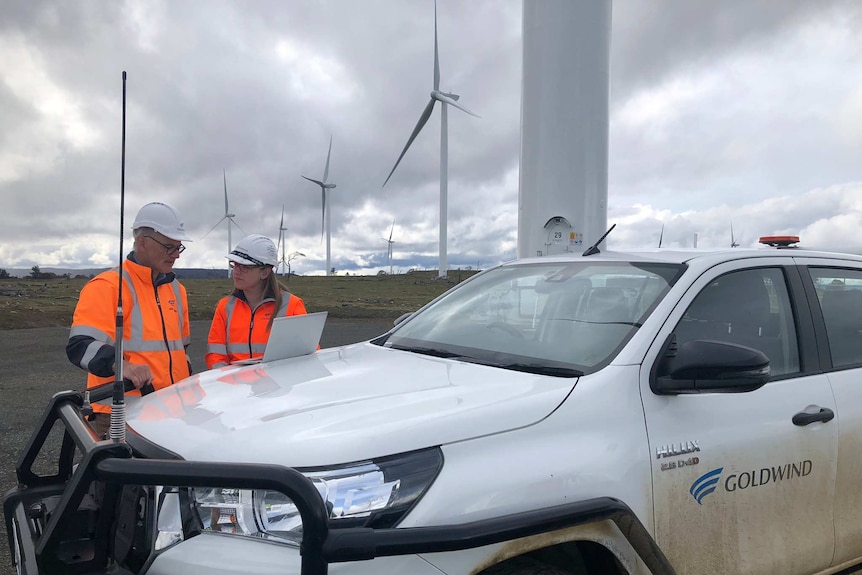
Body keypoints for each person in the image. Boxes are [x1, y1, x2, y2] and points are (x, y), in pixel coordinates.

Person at [66, 201, 193, 437]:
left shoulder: (177, 289)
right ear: (142, 241)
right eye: (169, 247)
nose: (176, 255)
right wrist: (121, 365)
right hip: (122, 415)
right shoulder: (108, 286)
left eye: (179, 248)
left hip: (173, 411)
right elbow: (80, 346)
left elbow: (181, 350)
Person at [206, 234, 309, 368]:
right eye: (235, 265)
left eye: (244, 267)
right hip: (236, 386)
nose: (236, 272)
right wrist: (228, 385)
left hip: (278, 385)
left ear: (265, 272)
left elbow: (307, 355)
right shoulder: (225, 307)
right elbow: (215, 355)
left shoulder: (291, 305)